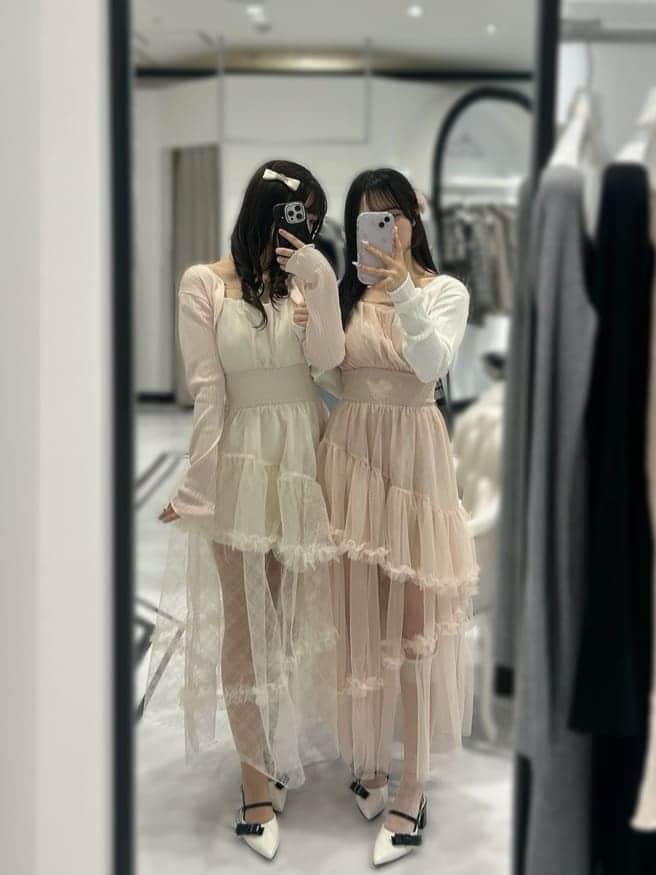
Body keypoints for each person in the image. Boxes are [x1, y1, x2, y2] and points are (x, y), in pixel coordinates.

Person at [152, 159, 346, 860]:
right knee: (244, 624)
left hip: (301, 457)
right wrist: (196, 487)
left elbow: (329, 365)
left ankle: (271, 746)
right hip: (241, 460)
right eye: (297, 215)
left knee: (287, 620)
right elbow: (208, 391)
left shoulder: (306, 279)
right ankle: (254, 783)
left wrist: (321, 284)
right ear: (264, 211)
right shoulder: (203, 283)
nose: (304, 229)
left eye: (313, 220)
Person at [296, 168, 478, 866]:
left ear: (414, 219)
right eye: (370, 216)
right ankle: (369, 760)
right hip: (352, 458)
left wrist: (402, 287)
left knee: (412, 630)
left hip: (413, 465)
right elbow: (327, 377)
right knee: (357, 620)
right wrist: (313, 321)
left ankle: (412, 785)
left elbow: (433, 363)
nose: (385, 228)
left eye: (393, 214)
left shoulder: (443, 291)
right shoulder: (344, 294)